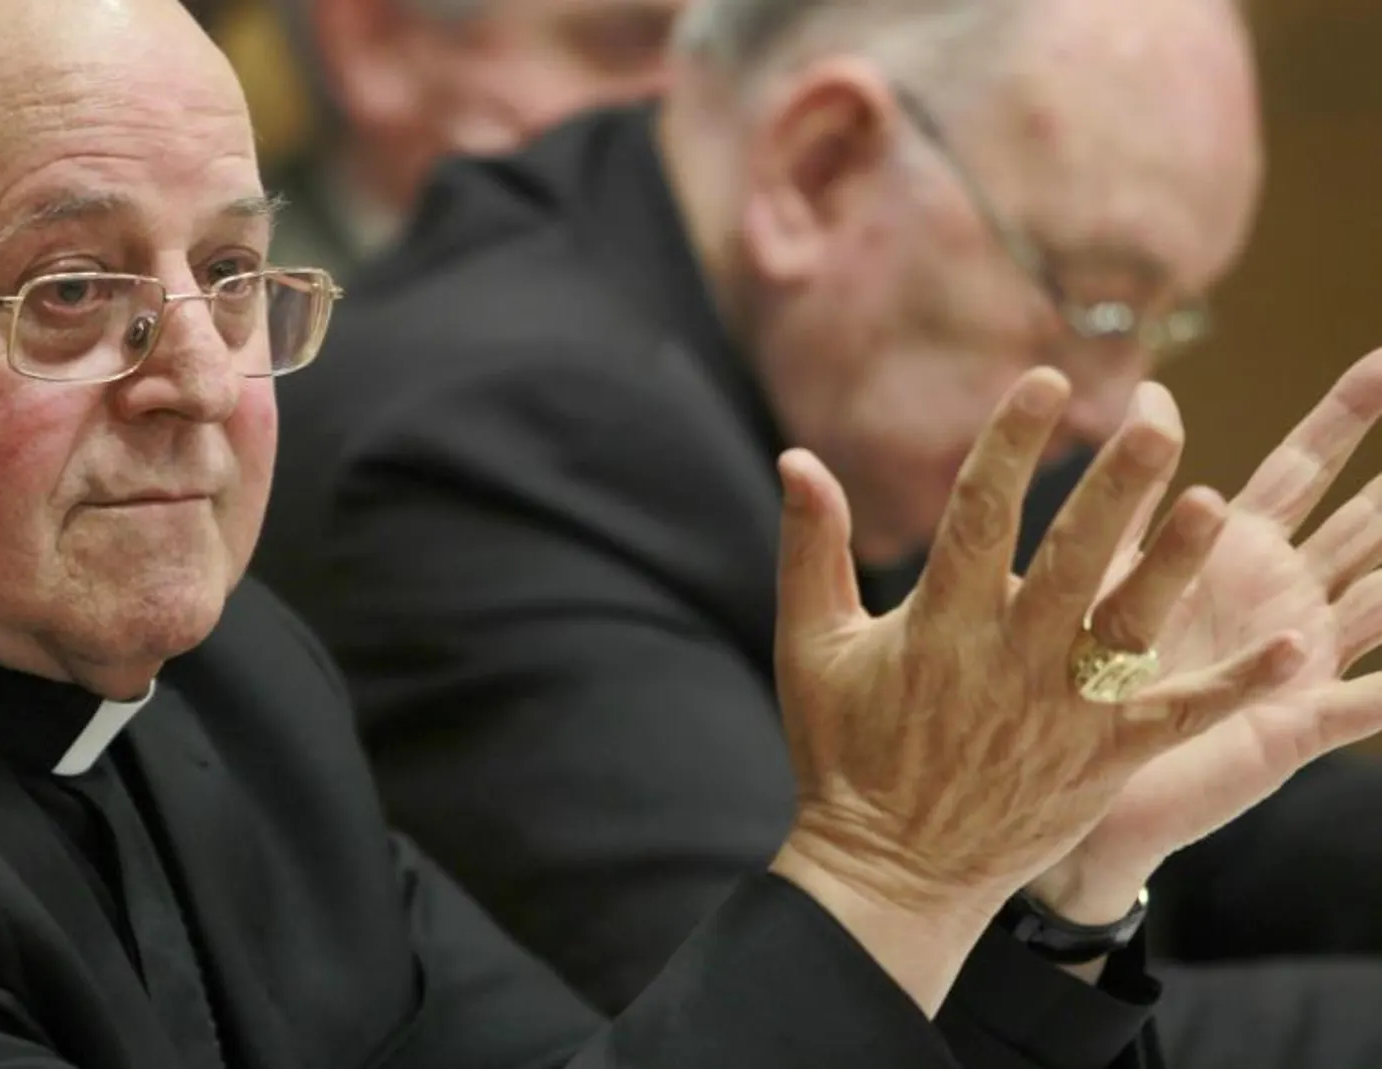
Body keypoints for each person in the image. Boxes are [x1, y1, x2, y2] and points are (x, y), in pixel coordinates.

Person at [0, 0, 1373, 1066]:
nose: (201, 380)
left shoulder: (218, 668)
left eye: (234, 276)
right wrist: (892, 864)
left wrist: (1056, 887)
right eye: (71, 294)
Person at [253, 0, 1382, 1058]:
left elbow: (1237, 833)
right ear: (820, 165)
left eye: (1155, 321)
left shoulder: (892, 393)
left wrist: (1100, 848)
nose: (1112, 402)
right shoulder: (485, 441)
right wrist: (1051, 884)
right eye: (1094, 299)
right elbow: (823, 1023)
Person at [265, 0, 682, 275]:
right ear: (376, 44)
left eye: (709, 49)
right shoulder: (250, 358)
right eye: (621, 44)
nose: (690, 101)